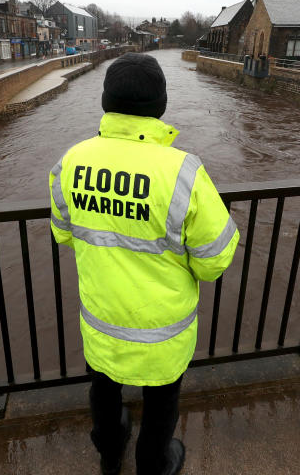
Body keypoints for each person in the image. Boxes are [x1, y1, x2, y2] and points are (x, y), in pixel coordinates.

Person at [49, 52, 239, 475]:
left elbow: (62, 232)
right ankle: (154, 463)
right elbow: (214, 260)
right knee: (162, 398)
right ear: (161, 106)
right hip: (162, 328)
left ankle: (110, 448)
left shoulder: (70, 161)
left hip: (101, 318)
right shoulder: (184, 172)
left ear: (105, 102)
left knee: (103, 384)